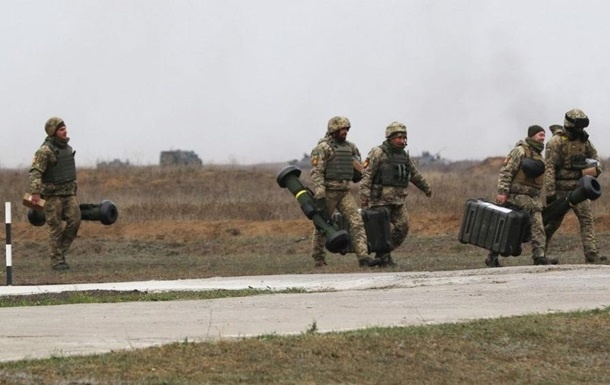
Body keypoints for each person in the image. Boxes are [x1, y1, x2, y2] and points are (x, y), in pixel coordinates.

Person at [359, 121, 432, 267]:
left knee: (403, 228)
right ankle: (376, 258)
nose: (402, 140)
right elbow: (367, 176)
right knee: (381, 232)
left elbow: (414, 174)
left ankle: (383, 254)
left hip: (398, 200)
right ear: (390, 137)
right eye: (399, 137)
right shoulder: (378, 153)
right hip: (380, 200)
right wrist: (364, 197)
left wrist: (426, 188)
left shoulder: (404, 156)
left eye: (404, 137)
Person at [485, 125, 556, 267]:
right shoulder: (520, 151)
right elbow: (507, 172)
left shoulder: (538, 155)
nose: (543, 138)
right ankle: (492, 257)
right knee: (506, 227)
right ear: (532, 136)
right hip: (516, 197)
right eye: (540, 135)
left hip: (533, 199)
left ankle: (539, 257)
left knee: (538, 226)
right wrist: (502, 193)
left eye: (543, 135)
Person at [544, 108, 606, 264]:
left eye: (582, 127)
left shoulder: (585, 141)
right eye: (577, 127)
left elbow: (596, 160)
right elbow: (549, 168)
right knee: (552, 223)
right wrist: (550, 193)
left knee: (587, 220)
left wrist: (593, 170)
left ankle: (591, 254)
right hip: (560, 191)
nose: (580, 130)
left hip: (579, 189)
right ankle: (539, 253)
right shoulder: (555, 142)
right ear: (569, 124)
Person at [309, 116, 373, 267]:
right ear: (334, 130)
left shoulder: (350, 147)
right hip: (329, 192)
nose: (345, 132)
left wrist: (361, 173)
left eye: (347, 129)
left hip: (344, 191)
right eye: (342, 129)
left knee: (357, 221)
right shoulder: (323, 148)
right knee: (322, 225)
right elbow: (317, 172)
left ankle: (363, 257)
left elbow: (359, 167)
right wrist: (320, 192)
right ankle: (318, 259)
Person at [28, 116, 81, 271]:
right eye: (61, 129)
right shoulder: (45, 151)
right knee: (55, 227)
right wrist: (35, 193)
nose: (65, 132)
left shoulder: (67, 148)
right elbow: (35, 172)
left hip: (68, 194)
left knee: (75, 221)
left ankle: (60, 253)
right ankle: (56, 261)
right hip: (52, 196)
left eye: (65, 128)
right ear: (53, 132)